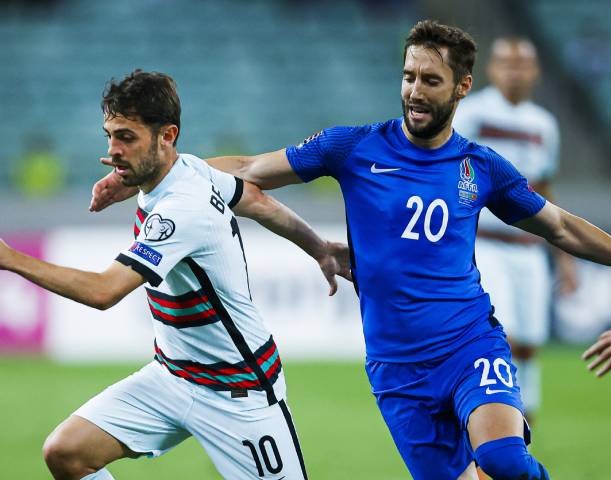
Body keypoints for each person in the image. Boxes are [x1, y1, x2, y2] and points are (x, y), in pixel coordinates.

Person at [91, 22, 611, 480]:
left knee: (502, 458)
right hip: (396, 369)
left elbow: (561, 227)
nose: (415, 91)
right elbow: (249, 169)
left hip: (469, 343)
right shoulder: (353, 147)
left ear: (463, 86)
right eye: (407, 76)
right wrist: (150, 177)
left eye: (431, 79)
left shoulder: (481, 167)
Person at [0, 70, 351, 480]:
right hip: (173, 376)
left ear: (166, 136)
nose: (113, 150)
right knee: (66, 452)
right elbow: (255, 198)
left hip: (239, 394)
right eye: (109, 135)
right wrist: (318, 247)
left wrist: (11, 258)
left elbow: (104, 291)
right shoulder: (190, 170)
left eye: (126, 138)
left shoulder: (182, 208)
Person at [453, 36, 576, 423]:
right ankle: (493, 423)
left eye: (522, 64)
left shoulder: (544, 125)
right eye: (506, 62)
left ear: (535, 72)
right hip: (486, 243)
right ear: (491, 69)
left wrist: (564, 258)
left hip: (528, 247)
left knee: (531, 343)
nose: (514, 71)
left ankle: (525, 427)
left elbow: (545, 189)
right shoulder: (472, 114)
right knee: (501, 335)